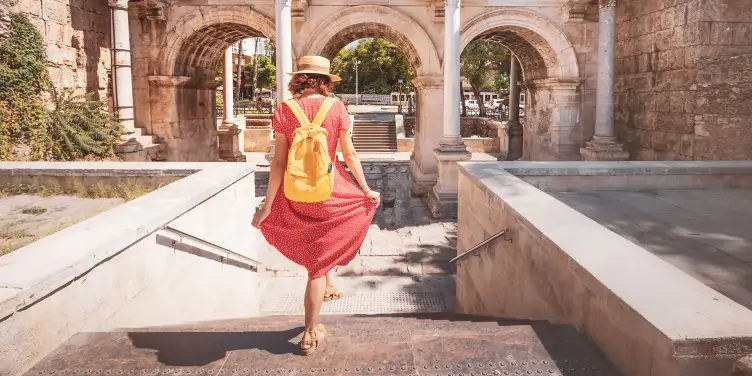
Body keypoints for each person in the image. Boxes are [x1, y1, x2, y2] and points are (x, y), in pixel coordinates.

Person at [251, 56, 380, 356]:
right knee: (317, 265)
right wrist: (366, 189)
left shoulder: (284, 110)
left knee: (315, 244)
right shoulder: (336, 108)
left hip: (296, 193)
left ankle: (328, 281)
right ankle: (309, 332)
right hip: (329, 193)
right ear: (325, 82)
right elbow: (350, 155)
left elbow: (279, 163)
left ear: (299, 79)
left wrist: (267, 206)